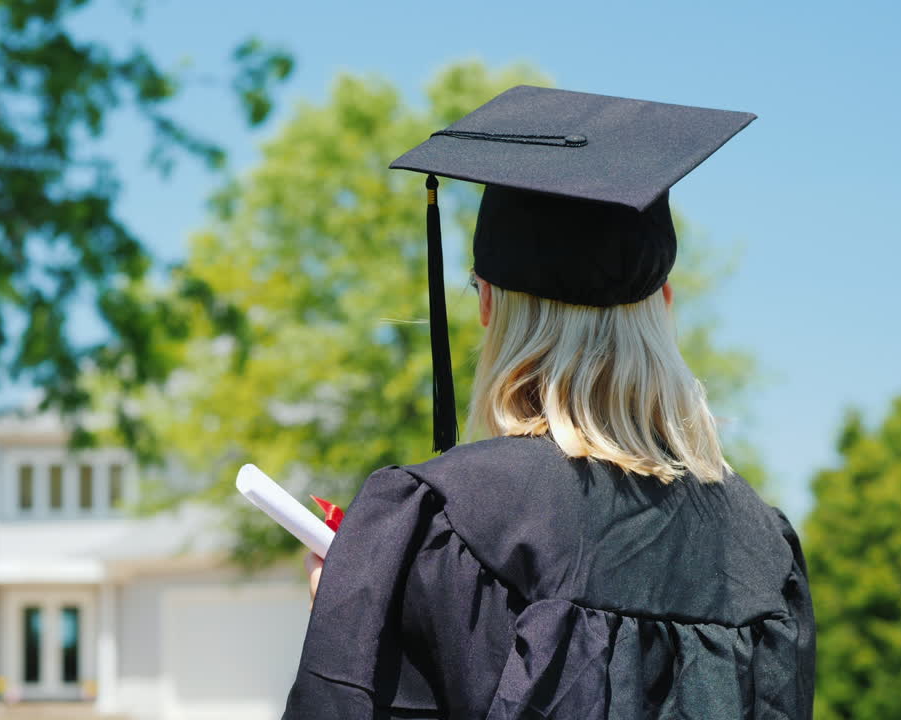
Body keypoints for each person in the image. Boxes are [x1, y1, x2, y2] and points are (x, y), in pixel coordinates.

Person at [280, 86, 816, 719]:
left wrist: (357, 615)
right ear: (663, 309)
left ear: (488, 307)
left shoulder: (444, 521)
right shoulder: (764, 553)